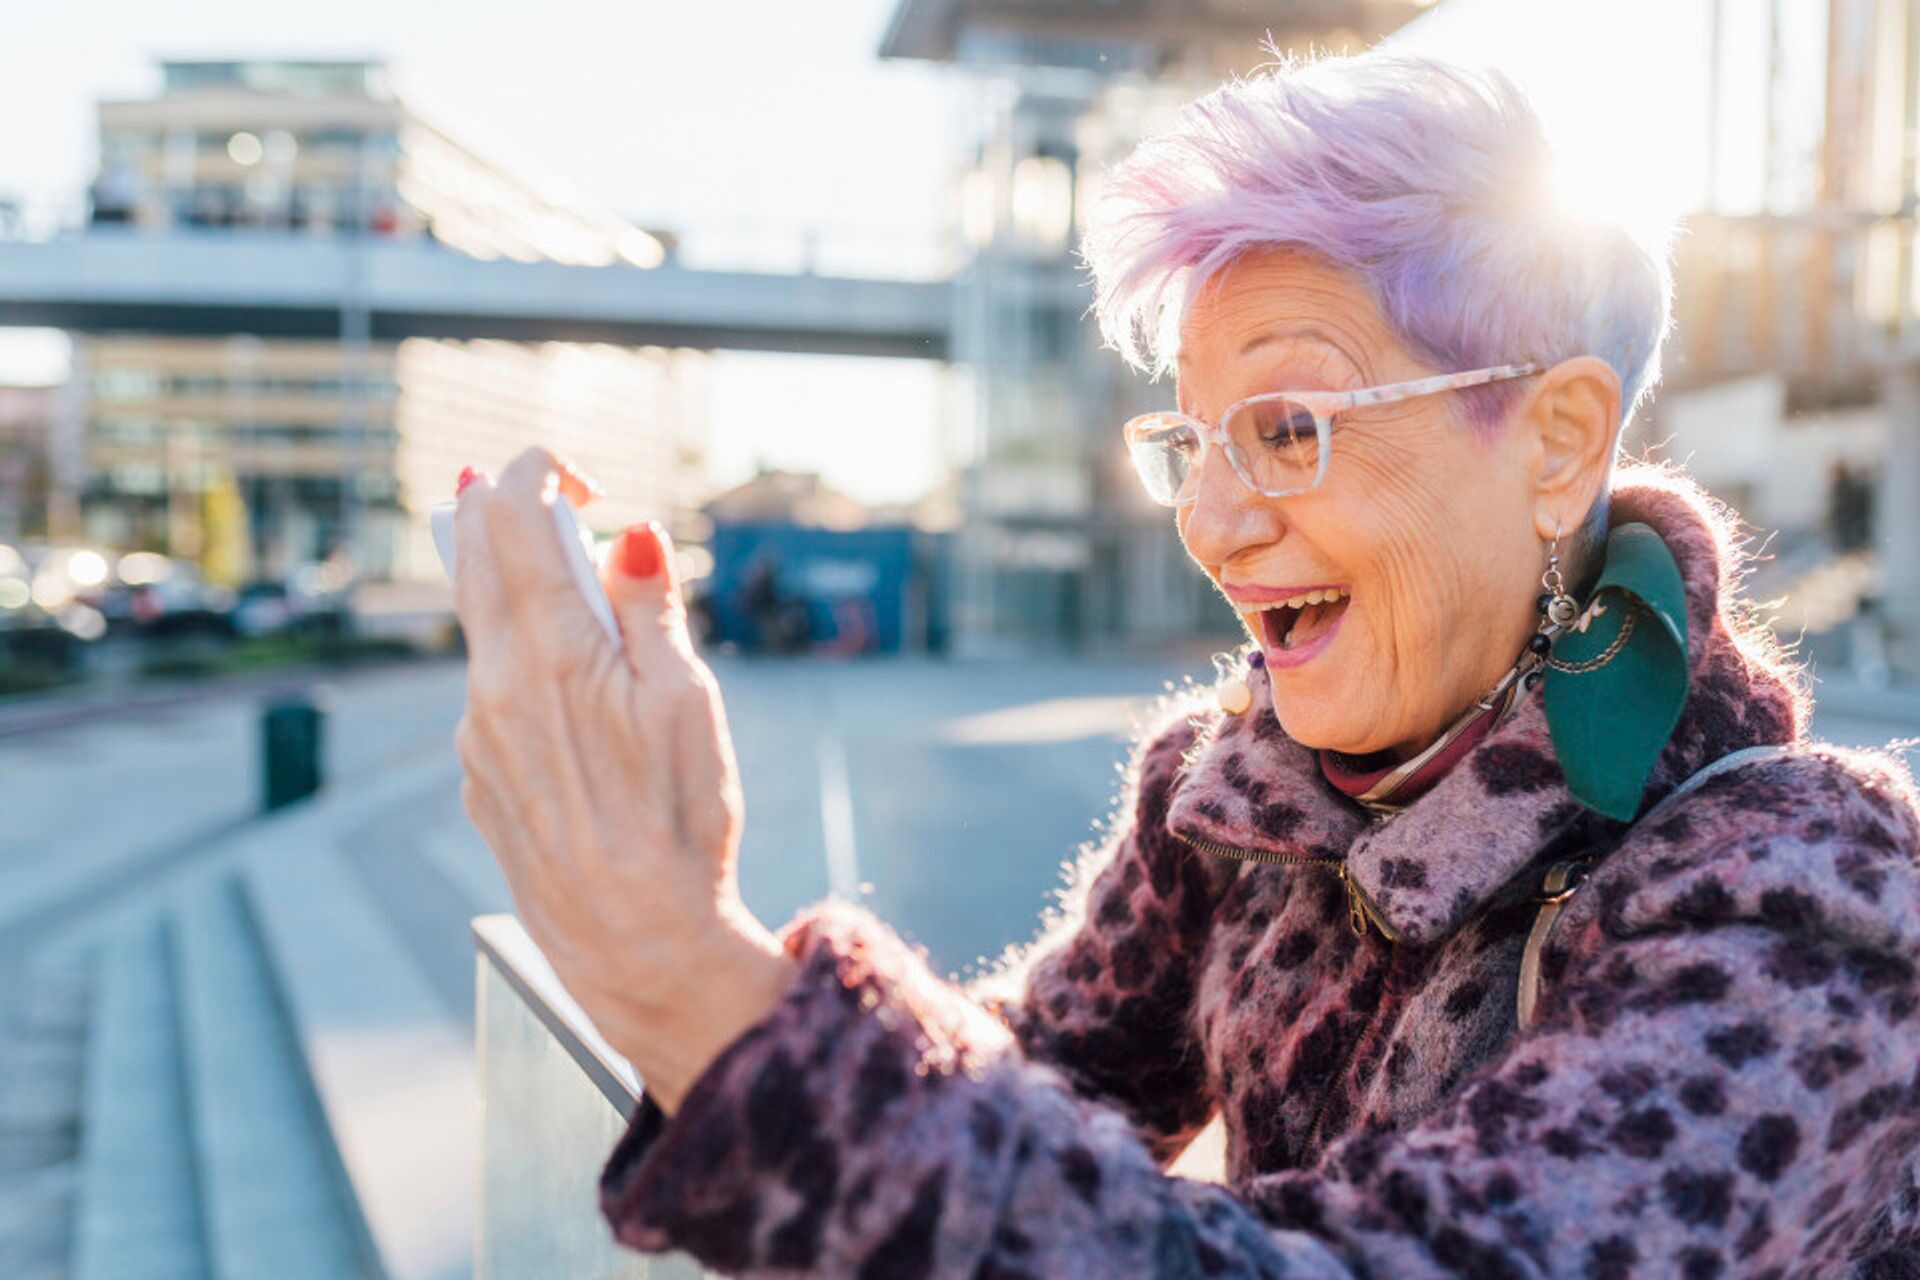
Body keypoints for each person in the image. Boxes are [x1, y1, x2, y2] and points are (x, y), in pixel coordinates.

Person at [448, 47, 1920, 1278]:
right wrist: (691, 956)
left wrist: (685, 980)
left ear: (1555, 442)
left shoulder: (1800, 895)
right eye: (1191, 443)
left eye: (1290, 427)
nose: (1214, 525)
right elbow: (1027, 1101)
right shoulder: (1228, 804)